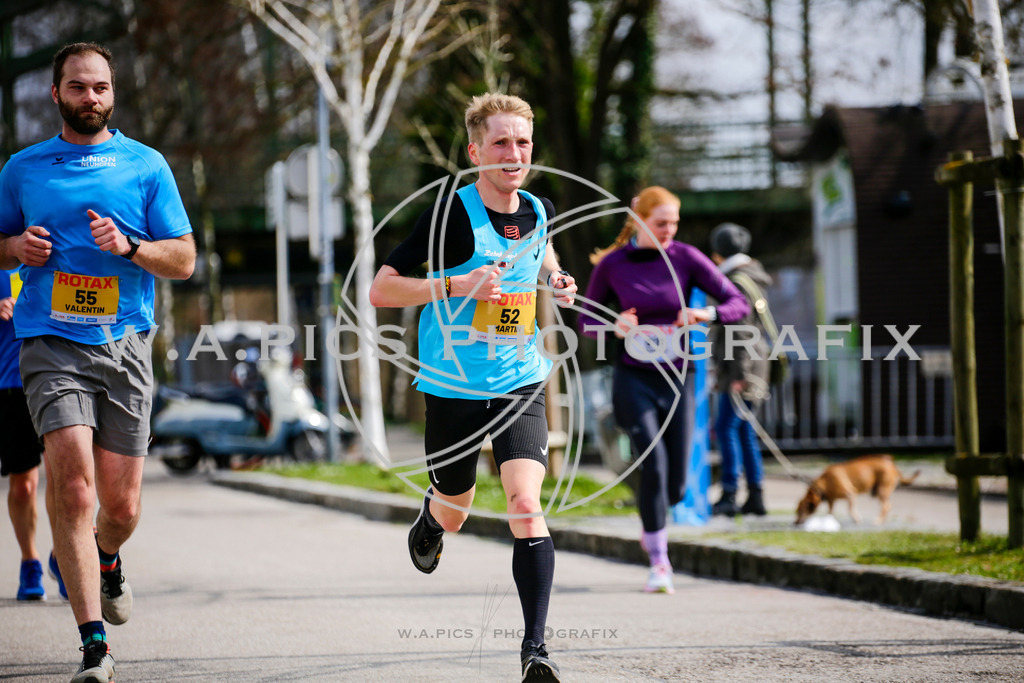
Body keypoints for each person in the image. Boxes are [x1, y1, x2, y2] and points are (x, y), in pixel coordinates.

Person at [0, 43, 195, 683]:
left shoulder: (146, 165)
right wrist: (14, 246)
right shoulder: (22, 169)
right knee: (73, 484)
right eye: (78, 87)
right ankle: (93, 646)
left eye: (101, 88)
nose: (91, 98)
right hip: (49, 342)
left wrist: (134, 247)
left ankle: (108, 556)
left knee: (122, 506)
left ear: (114, 93)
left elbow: (185, 259)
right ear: (56, 93)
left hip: (125, 345)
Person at [370, 92, 575, 682]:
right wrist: (454, 286)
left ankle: (534, 650)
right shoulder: (448, 216)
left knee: (524, 505)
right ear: (476, 151)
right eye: (502, 143)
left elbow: (538, 249)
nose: (515, 155)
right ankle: (433, 520)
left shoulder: (538, 207)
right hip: (454, 386)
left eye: (524, 143)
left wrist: (553, 277)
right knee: (457, 509)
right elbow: (383, 290)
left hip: (520, 381)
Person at [578, 186, 749, 594]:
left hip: (681, 378)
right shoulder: (614, 265)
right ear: (639, 220)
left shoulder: (686, 257)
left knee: (675, 484)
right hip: (633, 378)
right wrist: (613, 325)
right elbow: (586, 320)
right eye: (661, 223)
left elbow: (737, 302)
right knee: (652, 464)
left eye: (674, 223)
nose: (669, 230)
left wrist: (705, 312)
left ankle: (654, 526)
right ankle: (659, 560)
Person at [708, 222, 773, 517]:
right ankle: (756, 496)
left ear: (718, 254)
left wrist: (738, 376)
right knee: (744, 430)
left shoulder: (734, 281)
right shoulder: (752, 276)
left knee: (726, 428)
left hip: (742, 369)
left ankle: (730, 494)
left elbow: (741, 333)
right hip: (755, 365)